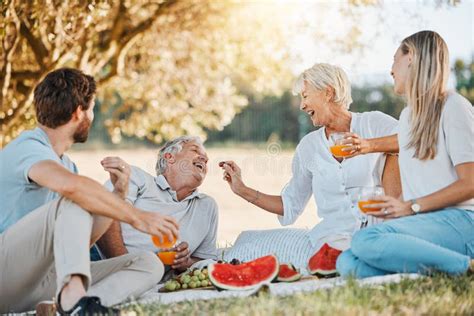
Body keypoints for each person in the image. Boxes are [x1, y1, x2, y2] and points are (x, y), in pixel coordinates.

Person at [0, 68, 179, 314]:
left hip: (40, 283)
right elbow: (72, 188)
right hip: (5, 274)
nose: (92, 117)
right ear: (78, 113)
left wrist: (119, 193)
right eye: (91, 108)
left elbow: (84, 241)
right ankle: (73, 302)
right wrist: (138, 217)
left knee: (148, 263)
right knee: (75, 200)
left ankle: (77, 306)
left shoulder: (65, 165)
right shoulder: (28, 147)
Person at [219, 63, 401, 276]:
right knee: (344, 263)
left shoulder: (373, 123)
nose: (302, 105)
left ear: (328, 92)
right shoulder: (309, 147)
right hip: (334, 238)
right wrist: (243, 190)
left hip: (380, 227)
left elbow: (412, 140)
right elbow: (290, 205)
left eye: (305, 96)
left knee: (395, 153)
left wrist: (368, 145)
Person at [336, 30, 474, 278]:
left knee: (366, 239)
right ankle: (439, 269)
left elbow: (471, 182)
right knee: (347, 263)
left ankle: (466, 269)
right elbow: (400, 143)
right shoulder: (408, 117)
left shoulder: (454, 106)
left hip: (463, 221)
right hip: (426, 223)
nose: (391, 69)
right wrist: (365, 145)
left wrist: (411, 206)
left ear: (410, 57)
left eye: (394, 60)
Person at [97, 136, 219, 275]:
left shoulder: (206, 206)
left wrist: (186, 262)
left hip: (149, 276)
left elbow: (205, 261)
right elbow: (106, 212)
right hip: (106, 263)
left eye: (206, 158)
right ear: (170, 157)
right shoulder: (137, 177)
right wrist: (126, 266)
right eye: (195, 150)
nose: (204, 158)